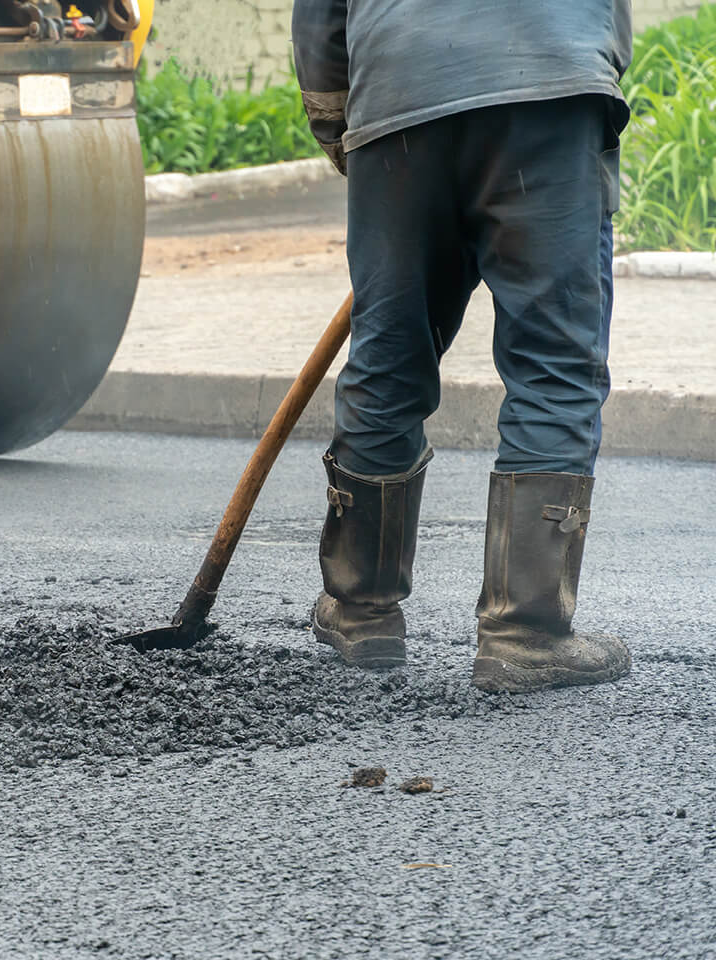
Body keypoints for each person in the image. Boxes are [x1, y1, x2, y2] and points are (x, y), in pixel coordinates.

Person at [291, 0, 633, 692]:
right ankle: (525, 634)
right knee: (554, 361)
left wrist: (338, 123)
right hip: (550, 87)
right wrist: (586, 65)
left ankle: (361, 611)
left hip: (400, 97)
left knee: (389, 349)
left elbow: (321, 19)